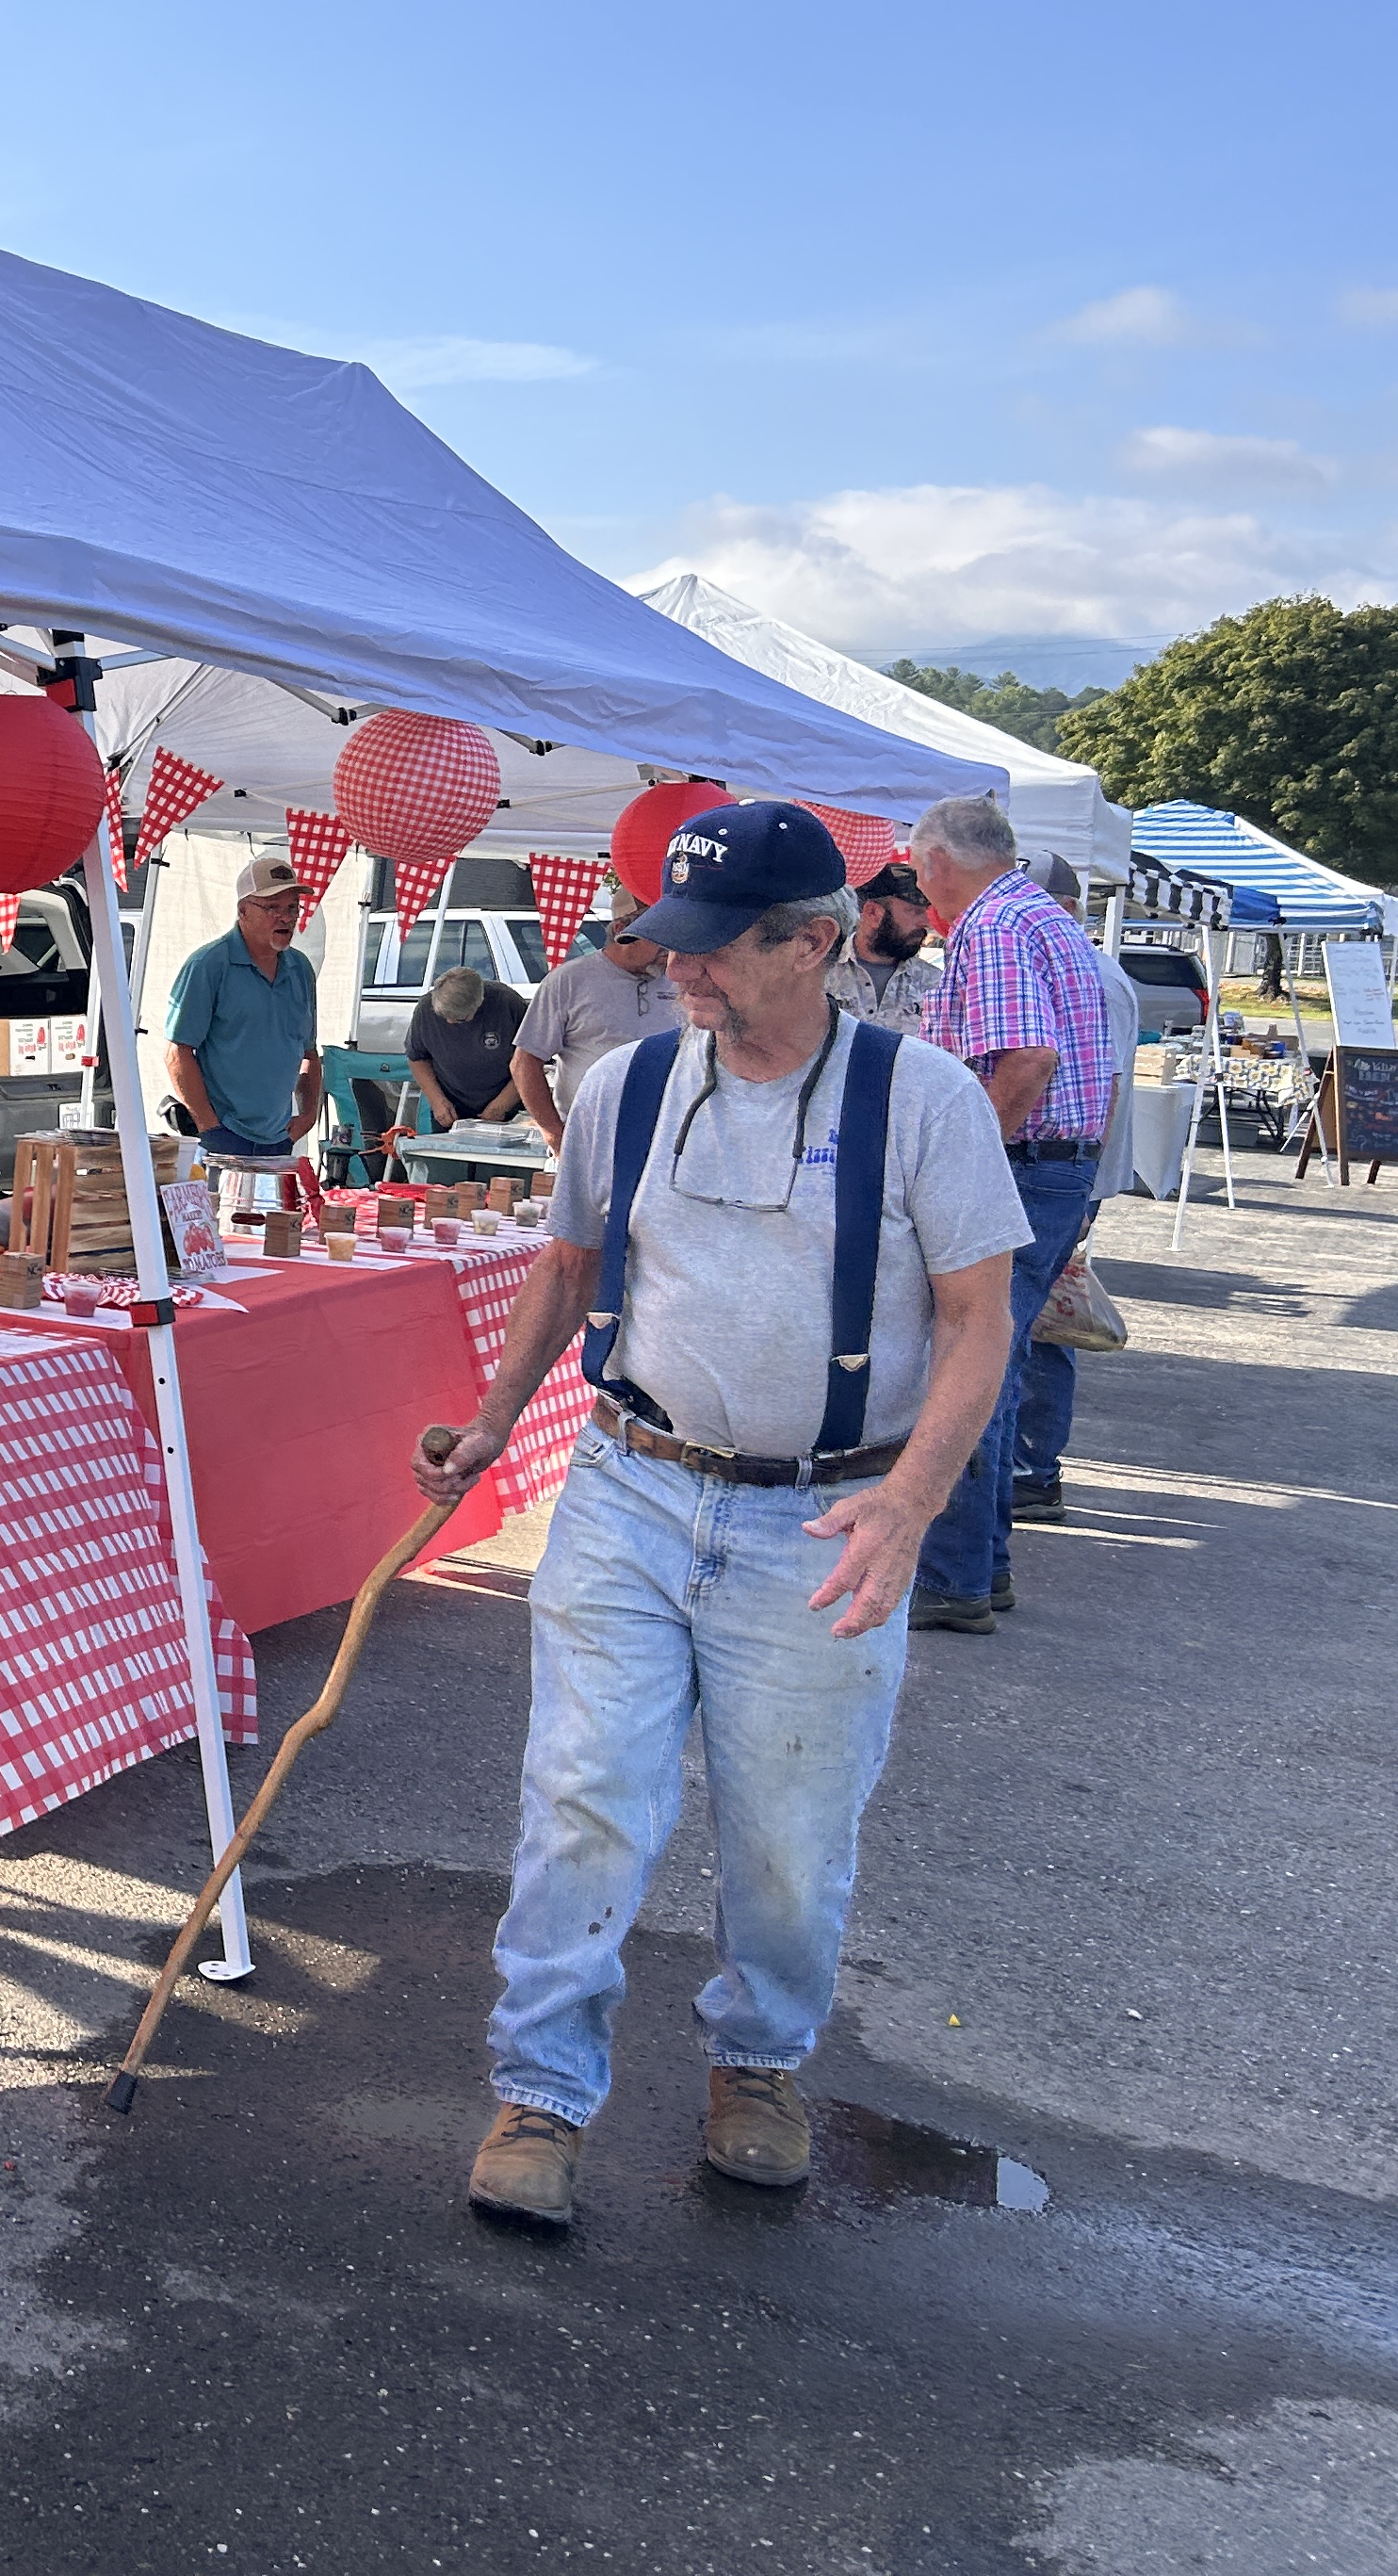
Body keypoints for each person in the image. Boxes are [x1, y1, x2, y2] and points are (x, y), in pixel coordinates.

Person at [414, 800, 1027, 2228]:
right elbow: (569, 1269)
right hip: (629, 1487)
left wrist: (909, 1506)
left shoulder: (922, 1097)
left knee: (790, 1835)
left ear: (815, 942)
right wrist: (494, 1425)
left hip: (821, 1518)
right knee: (582, 1802)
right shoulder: (627, 1085)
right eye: (670, 941)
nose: (678, 969)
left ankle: (757, 2059)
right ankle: (543, 2089)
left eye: (715, 948)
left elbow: (979, 1319)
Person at [907, 794, 1124, 1631]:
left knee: (967, 1364)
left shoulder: (994, 925)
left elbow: (1028, 1058)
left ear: (941, 860)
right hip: (1052, 1167)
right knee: (988, 1358)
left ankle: (957, 1576)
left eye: (920, 863)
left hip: (1025, 1165)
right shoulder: (1036, 913)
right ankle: (977, 1567)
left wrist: (973, 1153)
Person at [1009, 849, 1143, 1525]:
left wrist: (1084, 1195)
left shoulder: (1089, 975)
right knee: (1032, 1317)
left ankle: (1035, 1469)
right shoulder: (1079, 968)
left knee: (1039, 1320)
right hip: (1070, 1171)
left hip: (1066, 1170)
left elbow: (1107, 1088)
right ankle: (1032, 1468)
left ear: (1061, 910)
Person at [161, 853, 323, 1166]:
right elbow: (177, 1052)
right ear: (243, 911)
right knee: (223, 1214)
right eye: (273, 908)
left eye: (292, 908)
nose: (286, 917)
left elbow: (309, 1054)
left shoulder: (300, 969)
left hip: (279, 1138)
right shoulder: (209, 965)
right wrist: (209, 1125)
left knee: (276, 1216)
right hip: (224, 1136)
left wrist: (308, 1116)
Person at [511, 885, 677, 1149]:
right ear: (623, 931)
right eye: (658, 933)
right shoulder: (570, 980)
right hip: (588, 1137)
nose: (668, 945)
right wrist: (555, 1134)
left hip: (665, 1137)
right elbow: (524, 1064)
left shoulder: (680, 981)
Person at [406, 965, 530, 1127]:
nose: (450, 1022)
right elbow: (417, 1058)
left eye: (460, 1019)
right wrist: (437, 1101)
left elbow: (530, 1060)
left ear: (479, 1003)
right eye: (443, 1016)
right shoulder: (424, 1010)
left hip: (511, 1111)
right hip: (453, 1113)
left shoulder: (508, 1004)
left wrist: (500, 1107)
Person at [825, 861, 943, 1031]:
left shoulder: (935, 983)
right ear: (873, 912)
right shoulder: (821, 972)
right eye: (915, 911)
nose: (926, 922)